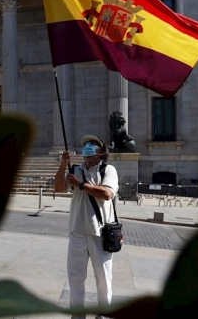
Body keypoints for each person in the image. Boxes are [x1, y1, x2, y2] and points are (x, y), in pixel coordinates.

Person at [53, 135, 119, 319]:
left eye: (92, 145)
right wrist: (63, 163)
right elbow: (58, 188)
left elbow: (106, 194)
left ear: (101, 152)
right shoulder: (76, 169)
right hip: (77, 232)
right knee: (75, 278)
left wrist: (80, 184)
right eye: (85, 145)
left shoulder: (108, 170)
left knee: (103, 280)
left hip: (100, 233)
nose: (87, 147)